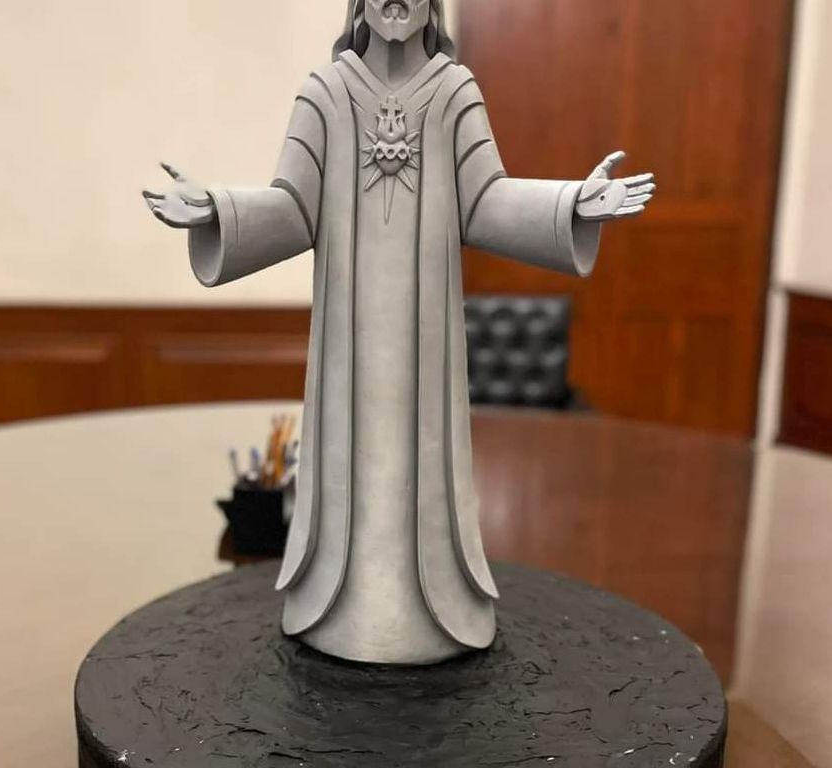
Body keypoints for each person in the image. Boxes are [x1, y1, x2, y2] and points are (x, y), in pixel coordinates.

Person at [143, 0, 656, 665]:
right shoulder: (326, 92)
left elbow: (485, 200)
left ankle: (428, 608)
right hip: (346, 340)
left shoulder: (454, 90)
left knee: (422, 462)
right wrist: (217, 210)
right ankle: (342, 606)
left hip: (426, 341)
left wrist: (570, 203)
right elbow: (294, 207)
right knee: (347, 460)